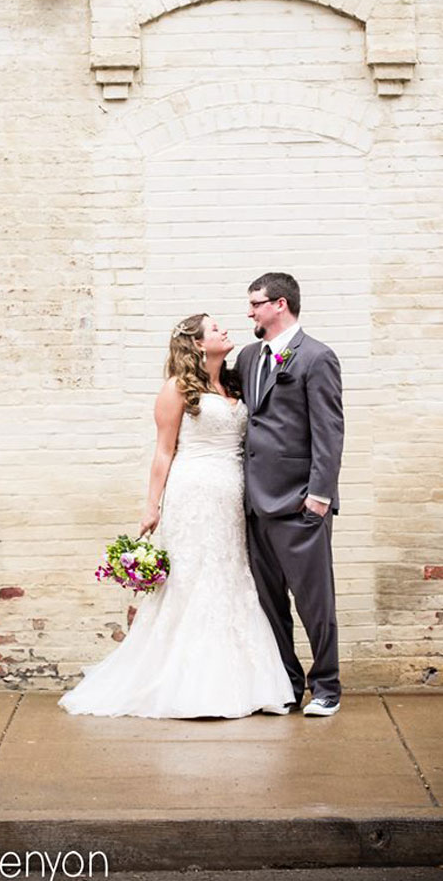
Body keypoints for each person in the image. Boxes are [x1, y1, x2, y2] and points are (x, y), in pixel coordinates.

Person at [59, 314, 295, 718]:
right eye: (215, 328)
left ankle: (243, 682)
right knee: (193, 581)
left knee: (231, 575)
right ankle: (189, 684)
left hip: (232, 493)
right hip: (194, 493)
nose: (224, 330)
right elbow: (164, 451)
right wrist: (151, 505)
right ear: (199, 344)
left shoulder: (234, 382)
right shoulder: (176, 389)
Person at [235, 272, 344, 717]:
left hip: (300, 503)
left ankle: (327, 687)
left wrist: (319, 495)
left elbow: (330, 431)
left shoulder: (317, 358)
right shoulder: (247, 357)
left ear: (280, 305)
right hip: (255, 504)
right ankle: (287, 682)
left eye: (256, 303)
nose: (250, 312)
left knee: (315, 600)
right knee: (269, 603)